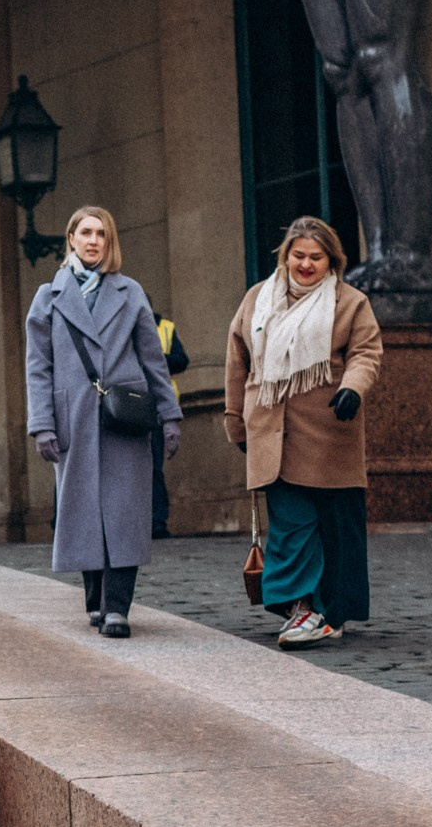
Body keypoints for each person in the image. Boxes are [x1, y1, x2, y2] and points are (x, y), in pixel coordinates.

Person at [223, 216, 383, 650]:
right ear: (286, 256)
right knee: (294, 522)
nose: (306, 265)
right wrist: (234, 418)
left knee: (336, 526)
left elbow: (366, 353)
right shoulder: (258, 299)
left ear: (331, 259)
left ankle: (332, 609)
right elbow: (238, 360)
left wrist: (352, 388)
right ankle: (302, 609)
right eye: (299, 256)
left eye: (316, 257)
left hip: (330, 430)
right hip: (271, 431)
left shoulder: (350, 302)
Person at [25, 206, 183, 638]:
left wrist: (169, 416)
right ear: (71, 238)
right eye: (87, 233)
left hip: (124, 418)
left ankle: (117, 607)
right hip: (72, 416)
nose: (94, 241)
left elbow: (154, 361)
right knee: (82, 511)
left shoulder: (130, 293)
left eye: (103, 235)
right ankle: (95, 599)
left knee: (124, 511)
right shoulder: (48, 297)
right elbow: (38, 367)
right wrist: (42, 424)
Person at [150, 310, 190, 538]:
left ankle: (157, 522)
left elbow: (181, 360)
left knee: (154, 467)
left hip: (157, 405)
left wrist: (155, 358)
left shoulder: (165, 327)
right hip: (130, 404)